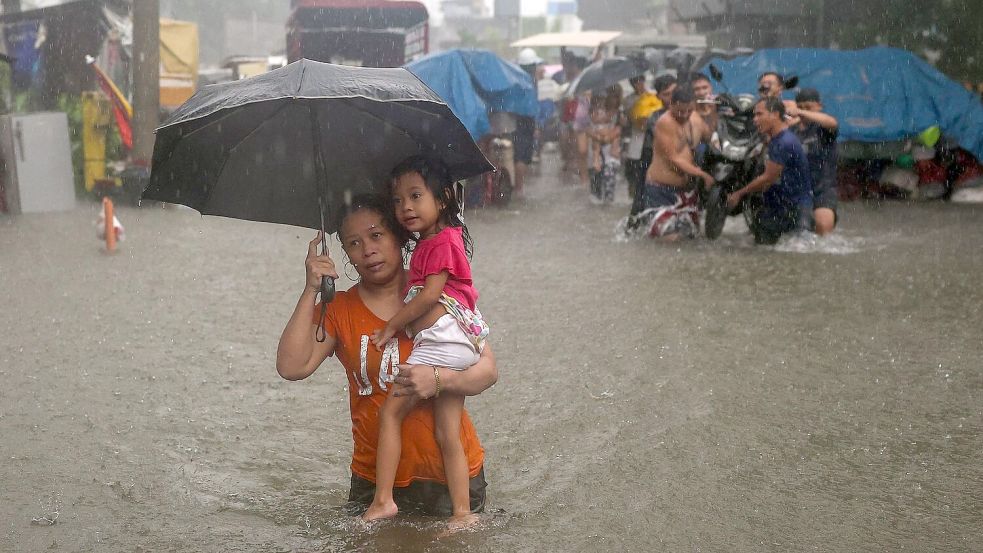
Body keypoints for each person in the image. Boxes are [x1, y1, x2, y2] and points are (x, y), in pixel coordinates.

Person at [275, 193, 498, 522]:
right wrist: (310, 289)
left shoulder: (436, 293)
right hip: (374, 480)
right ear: (347, 255)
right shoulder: (340, 310)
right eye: (354, 243)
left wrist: (439, 380)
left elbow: (488, 371)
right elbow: (291, 367)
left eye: (377, 235)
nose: (368, 250)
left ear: (398, 236)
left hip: (449, 479)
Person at [358, 156, 490, 523]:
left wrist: (389, 328)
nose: (406, 208)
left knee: (391, 412)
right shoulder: (436, 241)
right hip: (455, 344)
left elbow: (429, 296)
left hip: (442, 343)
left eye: (416, 196)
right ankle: (462, 512)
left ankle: (383, 499)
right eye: (398, 201)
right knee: (447, 431)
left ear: (444, 198)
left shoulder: (442, 242)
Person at [727, 97, 814, 244]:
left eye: (759, 114)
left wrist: (739, 194)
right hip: (778, 207)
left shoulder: (784, 142)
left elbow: (768, 178)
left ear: (774, 114)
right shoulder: (776, 139)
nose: (755, 119)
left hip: (793, 209)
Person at [640, 87, 714, 239]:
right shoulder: (665, 123)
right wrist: (702, 174)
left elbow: (710, 137)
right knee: (669, 238)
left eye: (689, 111)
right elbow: (674, 158)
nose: (685, 115)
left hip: (686, 192)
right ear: (671, 105)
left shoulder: (695, 118)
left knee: (692, 238)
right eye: (680, 111)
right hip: (660, 191)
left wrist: (712, 113)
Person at [791, 88, 839, 235]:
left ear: (819, 106)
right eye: (800, 107)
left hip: (821, 188)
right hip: (796, 187)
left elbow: (832, 123)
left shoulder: (823, 128)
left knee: (823, 226)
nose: (804, 111)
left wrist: (800, 112)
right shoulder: (792, 129)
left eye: (808, 107)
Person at [623, 74, 662, 200]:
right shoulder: (629, 100)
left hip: (652, 143)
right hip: (636, 144)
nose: (638, 84)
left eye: (640, 81)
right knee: (633, 177)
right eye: (634, 82)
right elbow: (633, 119)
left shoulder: (654, 96)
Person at [587, 92, 622, 204]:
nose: (599, 114)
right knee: (597, 183)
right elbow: (595, 140)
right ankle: (599, 199)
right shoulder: (593, 127)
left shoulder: (616, 123)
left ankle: (606, 201)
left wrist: (608, 139)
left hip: (610, 159)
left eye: (602, 111)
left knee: (608, 182)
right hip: (600, 158)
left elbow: (613, 135)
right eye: (595, 112)